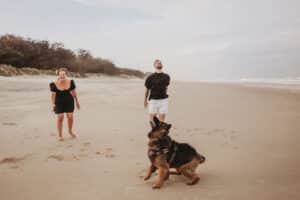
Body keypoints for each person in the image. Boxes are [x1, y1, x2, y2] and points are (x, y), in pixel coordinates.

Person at [49, 68, 80, 141]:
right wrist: (53, 104)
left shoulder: (71, 82)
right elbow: (53, 95)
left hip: (69, 101)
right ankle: (60, 135)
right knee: (60, 117)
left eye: (63, 74)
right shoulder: (53, 84)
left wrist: (77, 102)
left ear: (66, 74)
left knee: (70, 117)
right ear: (58, 75)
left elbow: (74, 93)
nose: (62, 76)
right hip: (59, 102)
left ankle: (70, 131)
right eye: (60, 74)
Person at [144, 59, 170, 127]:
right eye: (157, 63)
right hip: (153, 100)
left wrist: (164, 95)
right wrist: (145, 100)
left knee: (161, 122)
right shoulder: (150, 77)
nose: (159, 64)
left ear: (162, 65)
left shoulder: (167, 76)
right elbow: (147, 90)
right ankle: (153, 134)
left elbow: (166, 87)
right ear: (154, 66)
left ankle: (160, 136)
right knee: (152, 120)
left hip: (163, 100)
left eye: (160, 63)